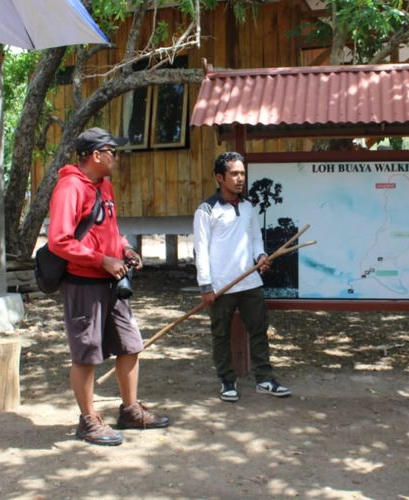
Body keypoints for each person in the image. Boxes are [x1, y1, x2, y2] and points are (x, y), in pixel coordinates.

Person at [48, 127, 170, 446]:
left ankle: (129, 410)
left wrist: (125, 249)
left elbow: (110, 229)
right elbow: (59, 241)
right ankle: (88, 421)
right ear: (97, 155)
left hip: (112, 281)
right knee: (86, 353)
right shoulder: (70, 187)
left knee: (130, 344)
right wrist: (102, 260)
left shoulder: (105, 186)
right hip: (83, 281)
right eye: (113, 152)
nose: (117, 157)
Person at [193, 151, 291, 402]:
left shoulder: (248, 207)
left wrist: (260, 257)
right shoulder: (206, 210)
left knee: (259, 330)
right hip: (221, 286)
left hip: (249, 282)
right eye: (234, 174)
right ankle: (227, 381)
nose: (240, 179)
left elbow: (255, 238)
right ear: (219, 177)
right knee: (221, 334)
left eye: (242, 174)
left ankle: (264, 379)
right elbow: (201, 251)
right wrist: (206, 286)